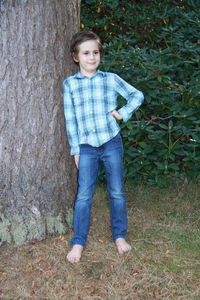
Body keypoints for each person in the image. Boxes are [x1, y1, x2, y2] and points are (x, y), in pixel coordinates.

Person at [63, 31, 144, 263]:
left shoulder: (110, 79)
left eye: (96, 52)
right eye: (86, 53)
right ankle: (78, 242)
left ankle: (119, 236)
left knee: (116, 191)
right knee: (83, 195)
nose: (92, 57)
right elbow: (71, 120)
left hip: (111, 142)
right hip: (86, 147)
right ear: (76, 57)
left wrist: (123, 113)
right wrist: (75, 150)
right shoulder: (70, 84)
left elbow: (136, 95)